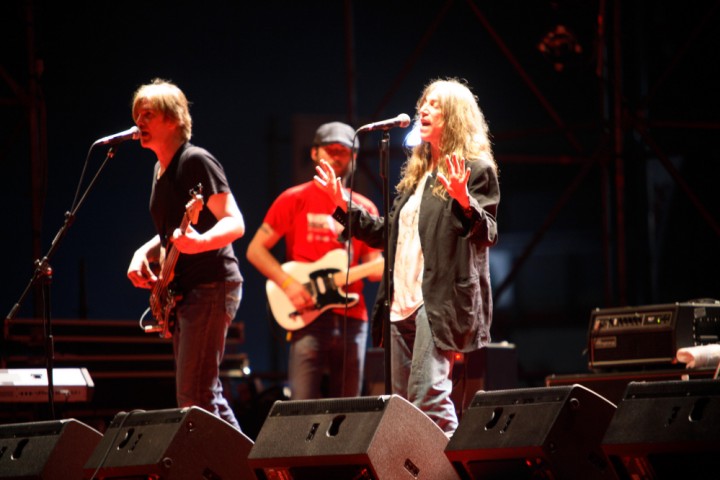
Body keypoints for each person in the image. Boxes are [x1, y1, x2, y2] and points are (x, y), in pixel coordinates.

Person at [314, 78, 500, 435]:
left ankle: (451, 470)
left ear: (456, 116)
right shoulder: (418, 176)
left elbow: (487, 232)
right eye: (423, 103)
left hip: (438, 300)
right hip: (401, 301)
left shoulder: (475, 170)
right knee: (404, 407)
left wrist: (463, 199)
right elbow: (388, 234)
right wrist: (343, 206)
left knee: (428, 396)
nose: (423, 109)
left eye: (434, 104)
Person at [126, 79, 244, 429]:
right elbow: (170, 230)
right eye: (136, 115)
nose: (139, 122)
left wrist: (199, 241)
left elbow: (234, 221)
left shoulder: (195, 160)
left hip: (212, 284)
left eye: (148, 114)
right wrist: (142, 252)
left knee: (195, 396)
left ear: (174, 119)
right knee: (200, 395)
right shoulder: (159, 169)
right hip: (185, 290)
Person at [246, 122, 383, 400]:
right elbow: (256, 250)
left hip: (352, 318)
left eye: (343, 151)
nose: (335, 156)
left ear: (354, 158)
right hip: (306, 314)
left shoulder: (364, 208)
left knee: (349, 411)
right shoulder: (293, 199)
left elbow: (374, 271)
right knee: (301, 408)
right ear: (314, 153)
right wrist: (289, 284)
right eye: (329, 149)